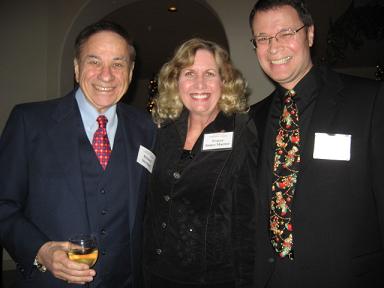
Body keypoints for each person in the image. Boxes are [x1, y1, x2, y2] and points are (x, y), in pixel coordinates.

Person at [0, 21, 155, 287]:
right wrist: (41, 251)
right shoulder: (30, 122)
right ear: (76, 67)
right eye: (94, 61)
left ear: (130, 72)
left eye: (118, 64)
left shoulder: (147, 128)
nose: (106, 75)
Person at [248, 0, 384, 287]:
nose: (274, 47)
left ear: (309, 34)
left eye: (286, 33)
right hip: (267, 277)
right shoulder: (252, 119)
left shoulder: (369, 101)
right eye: (263, 38)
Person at [143, 38, 258, 288]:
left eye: (209, 73)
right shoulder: (162, 130)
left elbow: (247, 222)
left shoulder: (242, 134)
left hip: (210, 278)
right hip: (154, 272)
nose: (199, 84)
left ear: (224, 80)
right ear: (176, 81)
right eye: (189, 74)